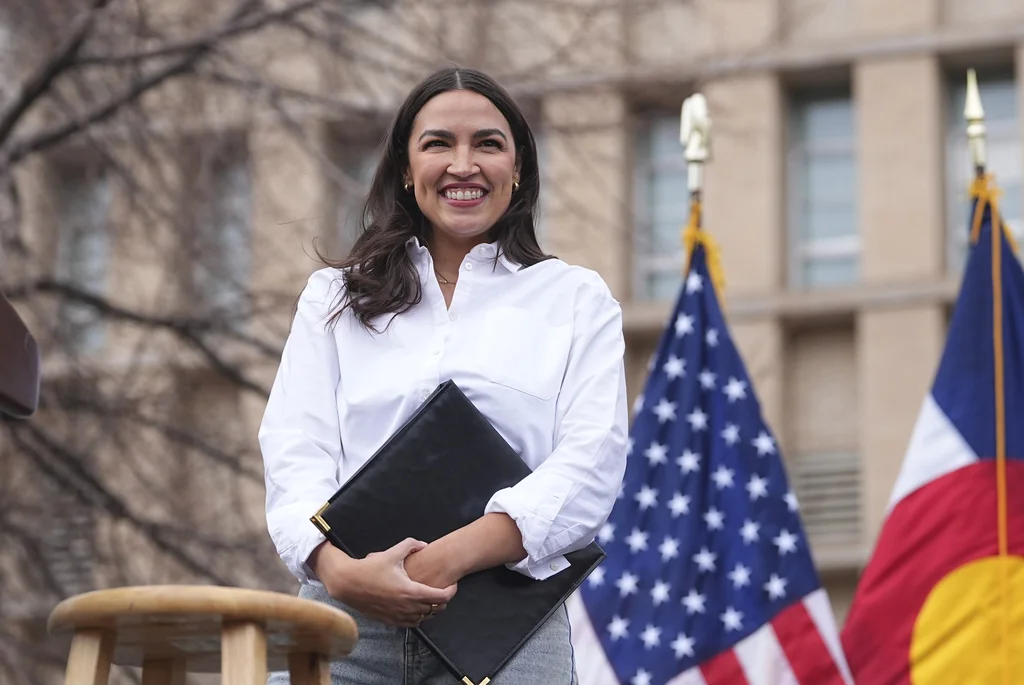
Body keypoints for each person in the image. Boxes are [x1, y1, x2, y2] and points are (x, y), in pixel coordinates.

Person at [260, 66, 628, 684]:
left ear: (519, 169)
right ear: (407, 169)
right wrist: (342, 572)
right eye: (438, 144)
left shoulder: (575, 299)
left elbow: (592, 462)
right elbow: (294, 451)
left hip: (504, 629)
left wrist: (447, 559)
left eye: (488, 143)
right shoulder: (333, 298)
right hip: (345, 622)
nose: (464, 164)